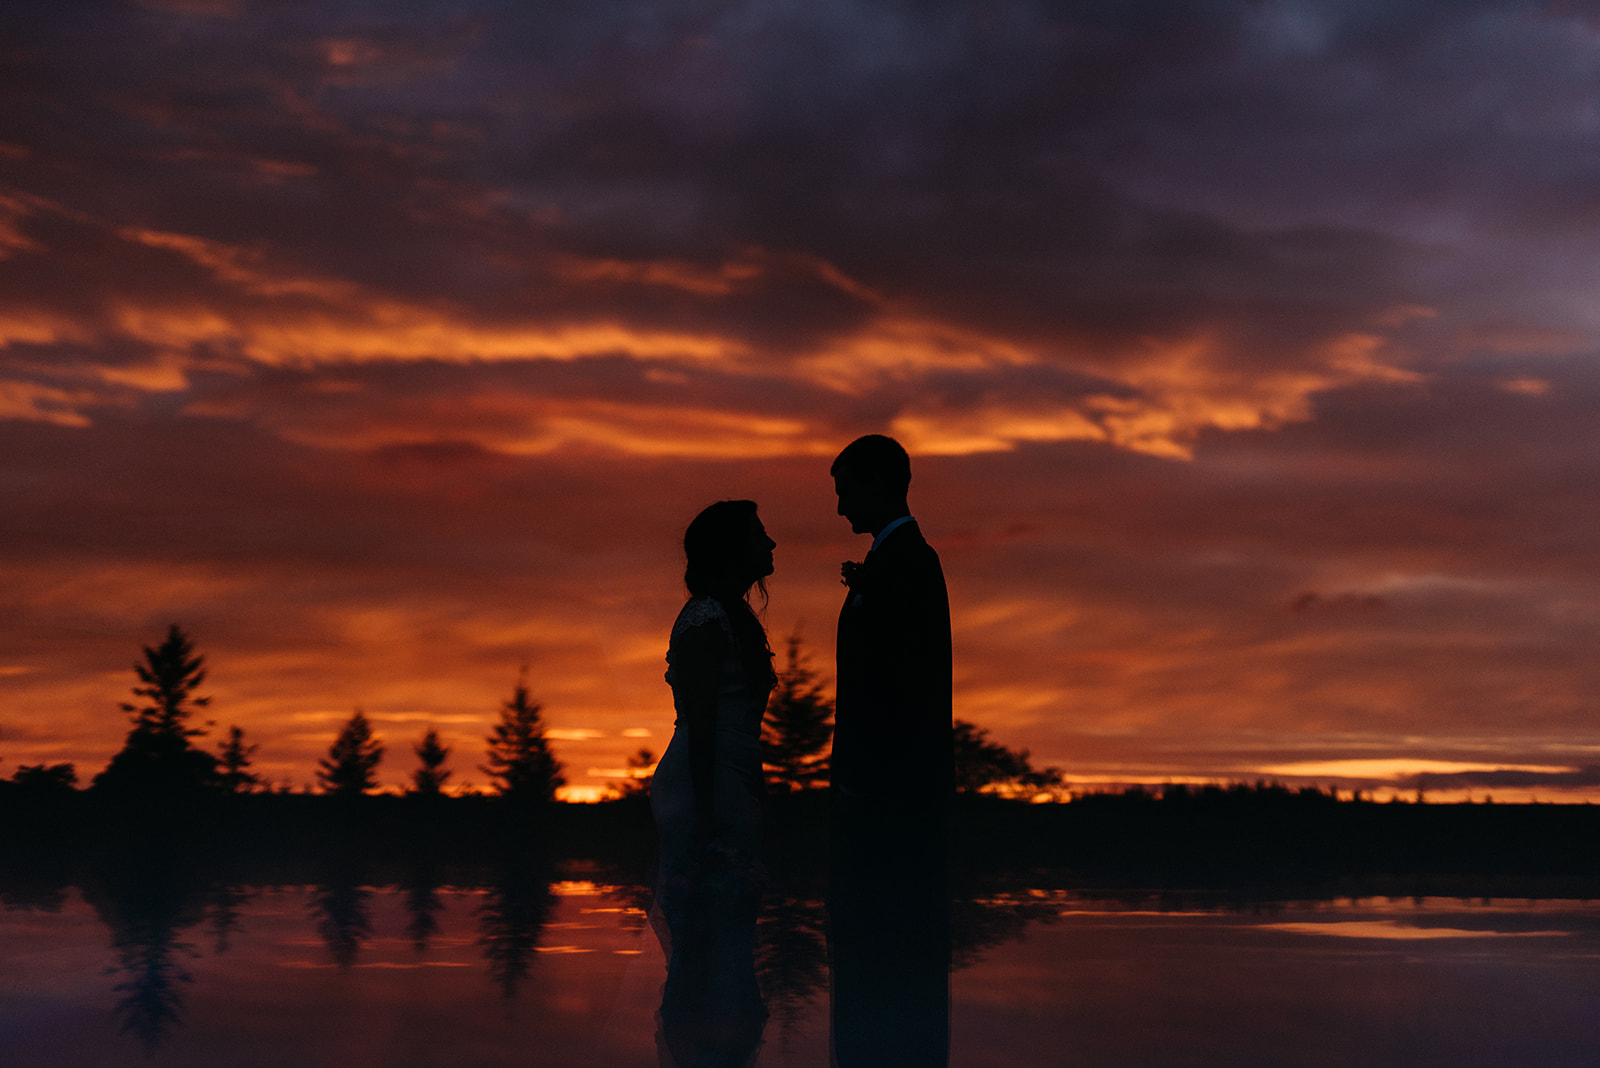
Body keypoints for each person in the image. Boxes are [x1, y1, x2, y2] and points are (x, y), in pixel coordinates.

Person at [828, 434, 953, 1067]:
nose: (841, 507)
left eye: (846, 490)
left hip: (890, 799)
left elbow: (900, 688)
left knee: (887, 952)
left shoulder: (908, 564)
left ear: (879, 484)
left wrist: (859, 782)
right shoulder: (894, 560)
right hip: (884, 794)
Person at [652, 499, 778, 907]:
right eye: (759, 534)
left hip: (731, 776)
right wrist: (705, 815)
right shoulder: (705, 619)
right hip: (701, 783)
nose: (771, 542)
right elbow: (703, 721)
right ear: (733, 548)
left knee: (731, 925)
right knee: (706, 922)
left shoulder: (733, 616)